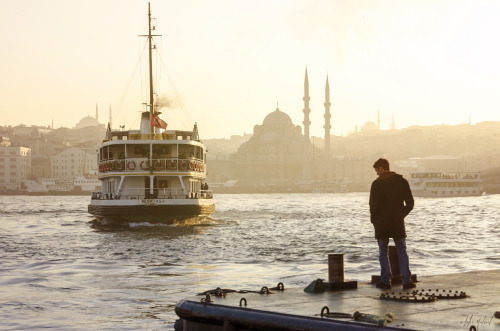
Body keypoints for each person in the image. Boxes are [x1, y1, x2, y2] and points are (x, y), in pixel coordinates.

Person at [369, 158, 416, 289]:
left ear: (382, 168)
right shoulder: (402, 182)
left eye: (377, 170)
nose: (376, 173)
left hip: (381, 224)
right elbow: (410, 203)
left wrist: (375, 221)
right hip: (397, 223)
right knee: (402, 250)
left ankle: (385, 281)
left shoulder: (376, 185)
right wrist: (401, 215)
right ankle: (406, 281)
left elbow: (373, 206)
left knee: (383, 252)